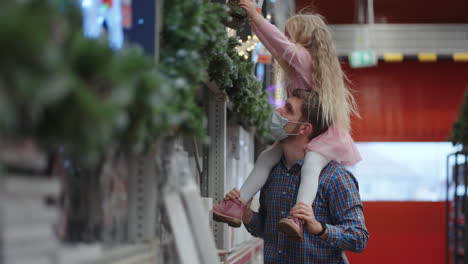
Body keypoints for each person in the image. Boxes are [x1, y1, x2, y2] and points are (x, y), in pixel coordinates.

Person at [212, 0, 361, 240]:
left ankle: (299, 217)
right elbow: (276, 47)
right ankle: (237, 206)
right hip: (315, 131)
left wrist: (256, 17)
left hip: (323, 136)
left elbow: (279, 46)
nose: (286, 39)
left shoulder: (303, 59)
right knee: (267, 156)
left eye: (291, 36)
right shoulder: (310, 68)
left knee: (311, 164)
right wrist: (254, 20)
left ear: (304, 38)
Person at [234, 89, 368, 263]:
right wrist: (248, 216)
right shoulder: (272, 172)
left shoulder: (335, 177)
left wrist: (320, 229)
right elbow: (269, 230)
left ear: (305, 128)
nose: (278, 111)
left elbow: (359, 238)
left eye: (288, 109)